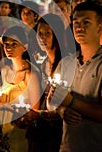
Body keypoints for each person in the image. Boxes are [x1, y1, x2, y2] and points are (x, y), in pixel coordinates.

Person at [54, 1, 102, 152]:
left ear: (100, 26)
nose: (79, 27)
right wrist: (62, 111)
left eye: (86, 22)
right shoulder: (66, 63)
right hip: (69, 146)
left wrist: (71, 101)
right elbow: (54, 98)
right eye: (76, 23)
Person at [0, 26, 41, 152]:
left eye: (14, 44)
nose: (9, 48)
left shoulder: (31, 73)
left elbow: (34, 111)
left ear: (25, 46)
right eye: (6, 44)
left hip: (20, 130)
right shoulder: (5, 70)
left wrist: (5, 106)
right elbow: (3, 97)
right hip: (3, 127)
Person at [25, 14, 65, 152]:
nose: (42, 37)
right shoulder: (42, 64)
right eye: (39, 33)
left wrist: (40, 114)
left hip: (58, 132)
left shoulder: (66, 64)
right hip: (40, 130)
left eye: (47, 33)